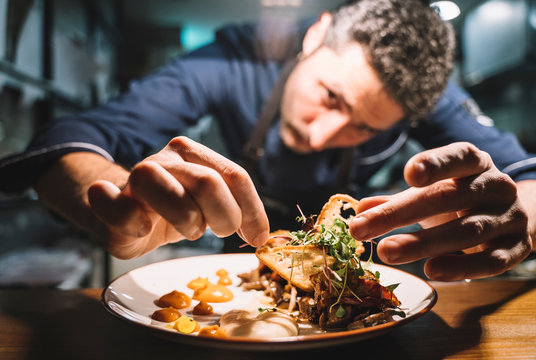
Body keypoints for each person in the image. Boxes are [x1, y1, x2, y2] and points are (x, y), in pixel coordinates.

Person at [0, 0, 534, 282]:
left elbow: (524, 179)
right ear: (313, 36)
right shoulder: (231, 59)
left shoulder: (423, 94)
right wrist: (115, 203)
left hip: (340, 269)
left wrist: (517, 219)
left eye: (364, 129)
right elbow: (68, 139)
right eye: (331, 97)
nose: (323, 135)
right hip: (236, 253)